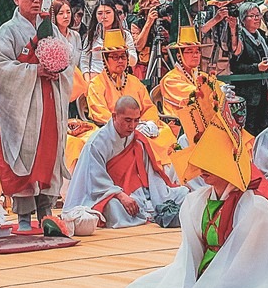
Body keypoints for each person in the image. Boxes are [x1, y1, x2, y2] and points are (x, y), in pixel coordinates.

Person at [52, 78, 268, 288]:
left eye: (208, 159)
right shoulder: (197, 202)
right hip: (199, 279)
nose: (199, 168)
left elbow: (249, 275)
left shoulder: (255, 209)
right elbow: (187, 259)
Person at [0, 0, 72, 231]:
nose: (36, 0)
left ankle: (46, 214)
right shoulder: (8, 31)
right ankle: (24, 218)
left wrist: (58, 70)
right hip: (22, 107)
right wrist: (35, 71)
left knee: (48, 154)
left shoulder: (51, 28)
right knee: (24, 154)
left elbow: (66, 59)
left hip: (49, 103)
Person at [63, 96, 187, 228]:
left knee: (183, 193)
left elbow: (150, 174)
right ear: (114, 116)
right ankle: (147, 211)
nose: (132, 126)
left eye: (136, 121)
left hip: (136, 192)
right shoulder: (97, 143)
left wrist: (157, 195)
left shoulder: (137, 139)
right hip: (107, 195)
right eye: (127, 120)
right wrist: (121, 195)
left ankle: (148, 208)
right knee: (113, 208)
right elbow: (95, 180)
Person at [86, 29, 175, 165]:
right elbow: (99, 113)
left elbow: (148, 107)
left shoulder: (134, 81)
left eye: (123, 56)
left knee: (165, 133)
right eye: (115, 57)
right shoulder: (96, 84)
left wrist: (147, 123)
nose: (120, 61)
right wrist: (127, 125)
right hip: (115, 130)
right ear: (105, 59)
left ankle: (164, 175)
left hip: (139, 126)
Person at [230, 2, 268, 136]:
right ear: (243, 19)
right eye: (252, 16)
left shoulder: (261, 35)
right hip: (247, 92)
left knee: (265, 126)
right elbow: (236, 66)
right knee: (249, 129)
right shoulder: (239, 37)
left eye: (258, 15)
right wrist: (256, 67)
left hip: (265, 89)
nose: (256, 19)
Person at [159, 27, 213, 119]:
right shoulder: (170, 80)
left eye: (197, 52)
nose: (195, 55)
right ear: (179, 56)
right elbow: (197, 95)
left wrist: (222, 87)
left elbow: (213, 82)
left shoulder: (196, 73)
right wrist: (214, 91)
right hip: (180, 126)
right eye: (190, 51)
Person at [80, 0, 136, 80]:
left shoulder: (124, 35)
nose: (104, 17)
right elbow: (84, 61)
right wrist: (88, 81)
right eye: (100, 13)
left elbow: (133, 61)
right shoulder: (92, 36)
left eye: (108, 12)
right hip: (96, 79)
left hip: (118, 80)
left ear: (114, 13)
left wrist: (119, 50)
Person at [198, 0, 242, 75]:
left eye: (233, 6)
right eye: (228, 6)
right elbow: (196, 36)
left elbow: (237, 51)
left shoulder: (235, 21)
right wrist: (215, 20)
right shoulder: (204, 15)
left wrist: (233, 29)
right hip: (203, 70)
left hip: (223, 70)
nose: (231, 9)